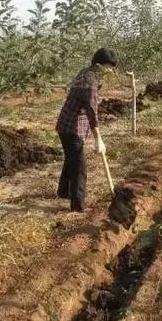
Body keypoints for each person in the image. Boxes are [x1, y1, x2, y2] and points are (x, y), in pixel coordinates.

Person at [55, 48, 117, 211]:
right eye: (109, 67)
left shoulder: (86, 73)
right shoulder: (89, 82)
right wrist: (98, 138)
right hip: (72, 128)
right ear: (99, 65)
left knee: (71, 159)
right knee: (80, 167)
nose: (111, 70)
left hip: (66, 124)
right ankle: (78, 205)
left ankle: (63, 192)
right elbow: (91, 111)